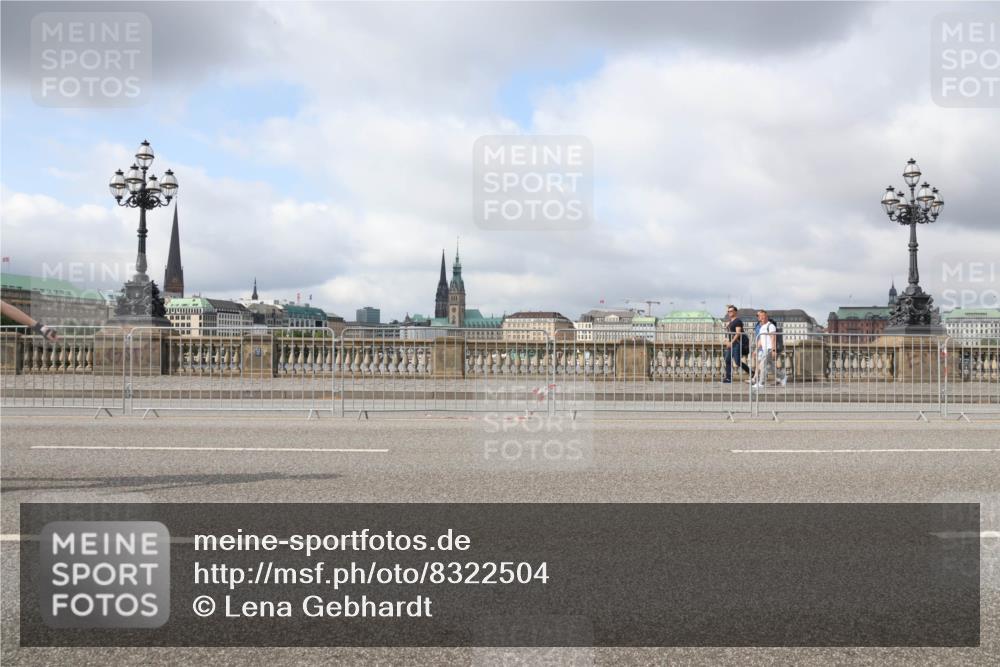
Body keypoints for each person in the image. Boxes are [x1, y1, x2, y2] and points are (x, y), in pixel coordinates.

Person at [752, 309, 785, 389]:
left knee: (762, 364)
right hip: (764, 349)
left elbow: (773, 338)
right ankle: (783, 376)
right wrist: (756, 349)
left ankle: (761, 383)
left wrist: (774, 350)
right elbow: (760, 340)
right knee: (771, 366)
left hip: (769, 349)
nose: (761, 318)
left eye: (763, 316)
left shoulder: (771, 326)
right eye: (760, 316)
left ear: (766, 317)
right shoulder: (762, 327)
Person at [722, 305, 750, 383]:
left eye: (731, 311)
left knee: (737, 362)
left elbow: (738, 333)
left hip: (736, 344)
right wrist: (727, 341)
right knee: (727, 359)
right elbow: (729, 334)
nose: (729, 312)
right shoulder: (730, 322)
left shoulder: (738, 321)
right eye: (728, 311)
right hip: (731, 344)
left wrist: (731, 342)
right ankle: (728, 378)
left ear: (735, 312)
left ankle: (752, 373)